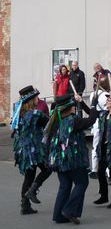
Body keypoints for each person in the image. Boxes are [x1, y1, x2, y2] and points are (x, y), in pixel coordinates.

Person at [46, 93, 98, 224]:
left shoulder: (55, 120)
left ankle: (58, 215)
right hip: (73, 160)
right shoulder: (74, 121)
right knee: (82, 183)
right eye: (73, 106)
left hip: (59, 160)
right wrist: (93, 105)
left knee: (64, 186)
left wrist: (81, 103)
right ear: (69, 108)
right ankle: (69, 211)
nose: (75, 108)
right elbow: (91, 120)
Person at [12, 85, 52, 215]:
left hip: (23, 150)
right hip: (33, 151)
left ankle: (25, 205)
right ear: (31, 100)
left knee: (28, 177)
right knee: (47, 169)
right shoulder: (35, 114)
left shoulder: (19, 114)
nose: (38, 99)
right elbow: (50, 123)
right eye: (36, 97)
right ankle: (33, 191)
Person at [93, 90, 111, 208]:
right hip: (104, 147)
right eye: (108, 99)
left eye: (110, 99)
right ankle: (104, 196)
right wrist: (91, 104)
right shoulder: (104, 114)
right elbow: (92, 114)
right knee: (100, 172)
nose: (108, 101)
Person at [89, 77, 110, 180]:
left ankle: (94, 168)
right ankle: (108, 171)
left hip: (96, 121)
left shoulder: (93, 94)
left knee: (95, 145)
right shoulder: (107, 95)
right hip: (105, 121)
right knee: (106, 144)